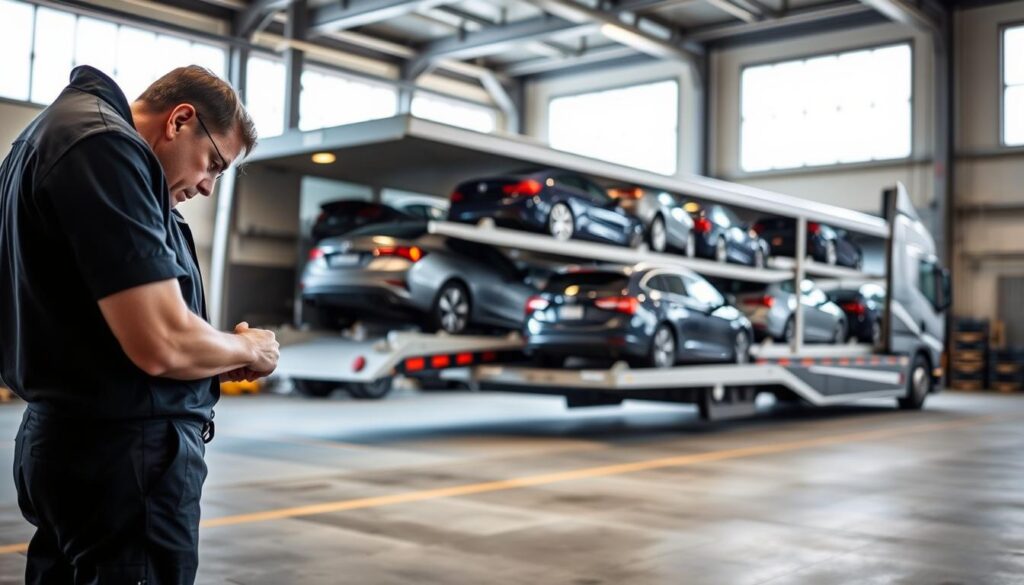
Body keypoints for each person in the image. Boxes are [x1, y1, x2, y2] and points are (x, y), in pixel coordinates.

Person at [0, 65, 280, 584]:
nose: (207, 186)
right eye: (214, 163)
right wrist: (249, 349)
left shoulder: (49, 137)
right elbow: (163, 343)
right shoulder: (105, 146)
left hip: (71, 442)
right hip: (124, 459)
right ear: (179, 120)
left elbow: (91, 326)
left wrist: (208, 359)